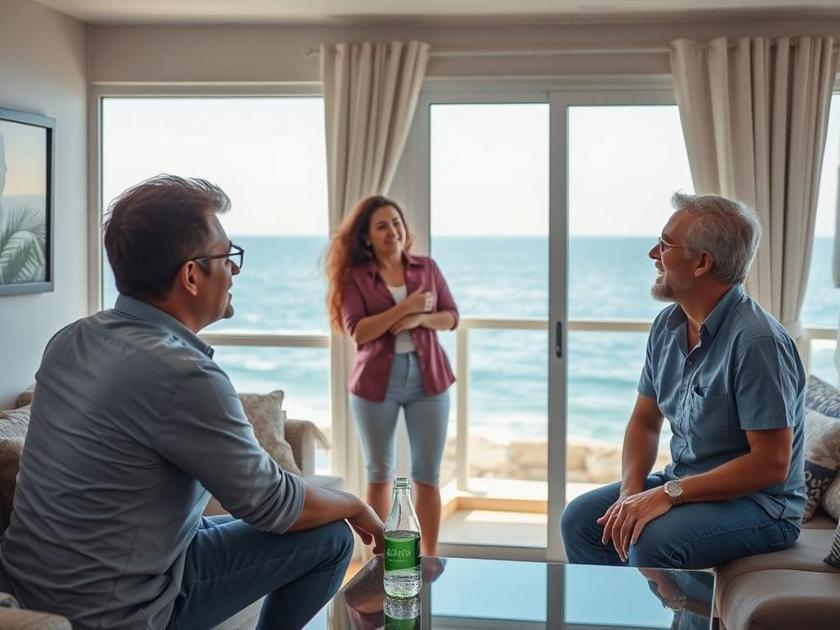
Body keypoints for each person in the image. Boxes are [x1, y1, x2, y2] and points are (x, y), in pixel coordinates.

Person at [0, 175, 383, 630]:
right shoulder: (184, 374)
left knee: (211, 527)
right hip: (115, 612)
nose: (235, 270)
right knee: (330, 537)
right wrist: (356, 504)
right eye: (227, 257)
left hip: (31, 590)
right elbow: (274, 506)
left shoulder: (71, 339)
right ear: (191, 275)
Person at [561, 192, 806, 569]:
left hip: (760, 505)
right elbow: (644, 421)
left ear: (701, 263)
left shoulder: (758, 342)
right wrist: (630, 497)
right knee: (580, 521)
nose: (652, 254)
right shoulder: (667, 325)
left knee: (652, 543)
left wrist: (668, 494)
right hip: (684, 483)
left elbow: (770, 464)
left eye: (665, 244)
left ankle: (678, 617)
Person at [325, 195, 458, 556]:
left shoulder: (426, 268)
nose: (392, 231)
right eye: (381, 225)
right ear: (367, 236)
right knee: (379, 472)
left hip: (429, 379)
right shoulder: (356, 277)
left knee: (427, 475)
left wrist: (416, 319)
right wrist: (407, 306)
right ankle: (380, 562)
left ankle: (429, 561)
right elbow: (359, 331)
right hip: (374, 384)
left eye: (396, 222)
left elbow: (450, 317)